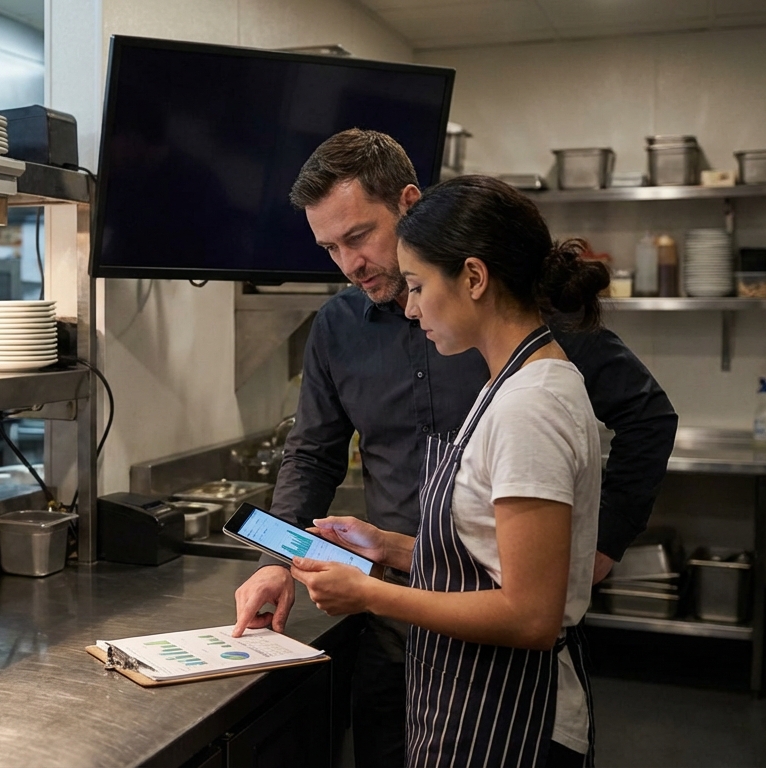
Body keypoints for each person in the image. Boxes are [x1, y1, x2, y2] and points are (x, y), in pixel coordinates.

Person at [231, 130, 678, 766]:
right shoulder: (338, 327)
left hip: (495, 650)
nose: (350, 265)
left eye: (358, 237)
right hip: (399, 634)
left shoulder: (523, 348)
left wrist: (596, 547)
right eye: (330, 248)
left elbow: (645, 418)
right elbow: (311, 452)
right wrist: (289, 556)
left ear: (411, 206)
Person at [293, 174, 608, 766]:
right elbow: (486, 559)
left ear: (473, 277)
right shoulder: (508, 383)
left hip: (511, 715)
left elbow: (529, 614)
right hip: (470, 703)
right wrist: (387, 548)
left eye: (416, 286)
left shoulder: (529, 407)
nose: (409, 309)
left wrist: (368, 595)